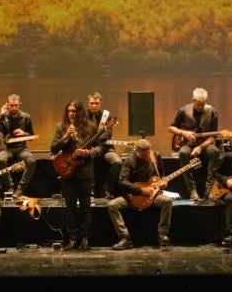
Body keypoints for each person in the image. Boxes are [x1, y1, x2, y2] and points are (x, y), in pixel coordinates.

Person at [106, 139, 172, 250]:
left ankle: (162, 236)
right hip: (133, 197)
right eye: (144, 154)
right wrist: (141, 191)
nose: (147, 156)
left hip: (153, 196)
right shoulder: (130, 160)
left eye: (148, 153)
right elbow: (122, 181)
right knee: (112, 205)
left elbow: (162, 176)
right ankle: (125, 238)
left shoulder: (155, 156)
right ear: (137, 151)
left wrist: (164, 183)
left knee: (167, 201)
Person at [50, 100, 98, 250]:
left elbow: (100, 148)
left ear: (80, 112)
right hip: (67, 171)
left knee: (85, 206)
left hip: (84, 171)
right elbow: (53, 147)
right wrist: (65, 137)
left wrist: (88, 152)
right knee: (69, 206)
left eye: (74, 111)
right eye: (69, 111)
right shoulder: (61, 127)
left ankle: (85, 237)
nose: (71, 114)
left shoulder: (90, 126)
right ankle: (72, 237)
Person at [167, 87, 221, 202]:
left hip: (205, 144)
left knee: (215, 152)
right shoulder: (183, 110)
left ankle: (209, 189)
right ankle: (192, 189)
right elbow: (171, 128)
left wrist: (201, 147)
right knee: (183, 153)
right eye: (198, 105)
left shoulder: (212, 112)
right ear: (193, 100)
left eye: (202, 105)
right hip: (187, 143)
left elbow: (213, 136)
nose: (200, 107)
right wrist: (183, 133)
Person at [0, 94, 36, 199]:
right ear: (7, 105)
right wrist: (1, 115)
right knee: (0, 160)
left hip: (21, 148)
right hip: (6, 148)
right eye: (11, 105)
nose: (14, 108)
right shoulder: (3, 116)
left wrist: (24, 133)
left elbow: (31, 136)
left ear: (20, 104)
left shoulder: (26, 117)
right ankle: (9, 187)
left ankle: (20, 189)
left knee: (32, 161)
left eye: (16, 105)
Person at [85, 92, 119, 198]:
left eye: (96, 103)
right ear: (88, 103)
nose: (94, 105)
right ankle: (89, 189)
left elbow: (108, 133)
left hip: (105, 148)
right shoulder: (83, 116)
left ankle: (108, 189)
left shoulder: (107, 115)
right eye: (92, 103)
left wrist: (97, 139)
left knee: (117, 162)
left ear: (101, 103)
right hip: (88, 147)